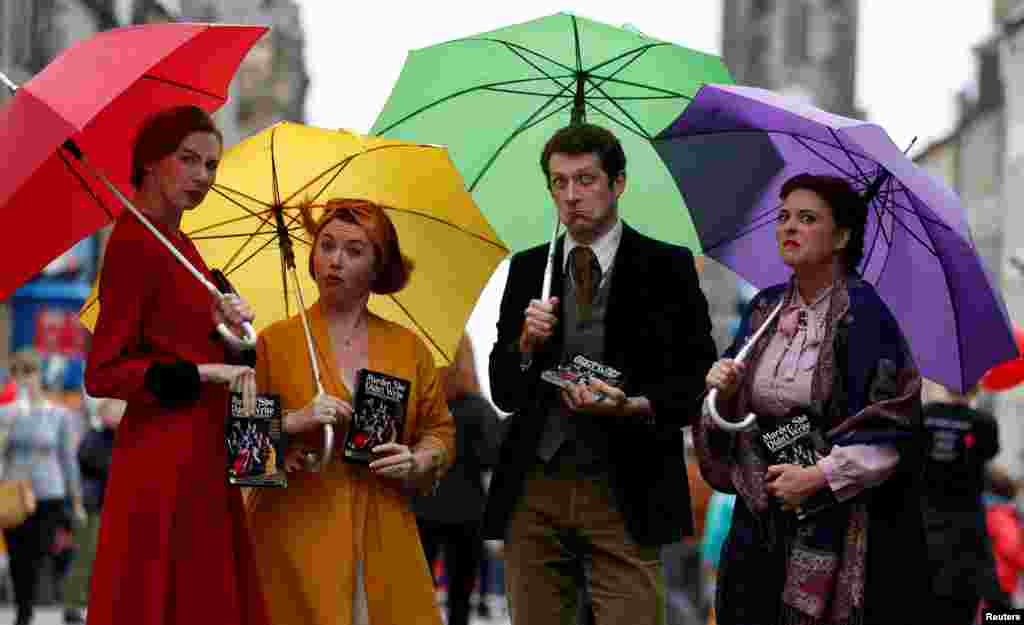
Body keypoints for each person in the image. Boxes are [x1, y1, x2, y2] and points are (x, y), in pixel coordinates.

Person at [483, 122, 718, 625]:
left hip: (626, 486)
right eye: (559, 183)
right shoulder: (528, 267)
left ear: (618, 183)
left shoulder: (668, 266)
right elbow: (504, 391)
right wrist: (524, 344)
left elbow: (696, 380)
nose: (571, 196)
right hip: (535, 488)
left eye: (586, 179)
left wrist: (633, 404)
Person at [697, 173, 928, 625]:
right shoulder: (763, 308)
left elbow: (893, 427)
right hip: (759, 516)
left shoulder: (867, 316)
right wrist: (723, 394)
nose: (788, 228)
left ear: (842, 236)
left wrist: (818, 476)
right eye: (783, 217)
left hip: (837, 521)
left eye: (807, 219)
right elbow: (728, 419)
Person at [84, 105, 267, 625]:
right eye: (188, 160)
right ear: (149, 162)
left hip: (204, 452)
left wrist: (233, 333)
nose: (201, 177)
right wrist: (204, 374)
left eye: (210, 165)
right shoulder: (133, 243)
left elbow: (216, 350)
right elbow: (103, 372)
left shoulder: (183, 248)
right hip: (162, 460)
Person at [246, 198, 456, 625]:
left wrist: (417, 459)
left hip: (383, 533)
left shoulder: (407, 349)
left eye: (354, 251)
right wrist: (293, 422)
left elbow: (440, 431)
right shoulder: (275, 342)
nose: (335, 261)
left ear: (378, 268)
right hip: (295, 538)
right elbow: (244, 452)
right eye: (326, 245)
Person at [413, 334, 503, 625]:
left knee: (419, 593)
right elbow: (494, 457)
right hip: (468, 513)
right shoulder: (479, 409)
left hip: (423, 508)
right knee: (460, 601)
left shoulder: (423, 408)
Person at [1, 349, 83, 625]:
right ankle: (24, 611)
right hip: (14, 493)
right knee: (16, 554)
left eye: (30, 371)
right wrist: (10, 420)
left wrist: (75, 497)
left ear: (39, 375)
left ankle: (43, 602)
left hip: (49, 491)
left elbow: (67, 457)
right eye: (19, 372)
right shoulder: (6, 413)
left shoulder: (58, 414)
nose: (25, 379)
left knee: (41, 550)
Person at [920, 381, 1010, 622]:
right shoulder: (983, 423)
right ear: (976, 389)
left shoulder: (924, 417)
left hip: (927, 528)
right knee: (969, 603)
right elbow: (989, 455)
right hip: (968, 532)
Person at [61, 396, 124, 624]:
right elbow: (88, 461)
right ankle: (74, 604)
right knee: (86, 555)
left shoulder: (124, 436)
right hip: (95, 504)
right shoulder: (95, 436)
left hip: (114, 506)